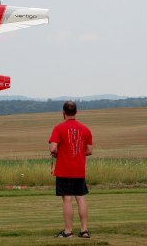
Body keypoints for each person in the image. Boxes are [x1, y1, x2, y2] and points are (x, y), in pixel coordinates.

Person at [48, 101, 93, 238]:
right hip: (79, 169)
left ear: (63, 113)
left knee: (67, 199)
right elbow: (89, 150)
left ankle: (68, 231)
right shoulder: (85, 129)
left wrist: (58, 153)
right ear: (76, 112)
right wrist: (78, 153)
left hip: (64, 169)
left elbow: (53, 148)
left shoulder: (58, 128)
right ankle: (84, 231)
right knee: (80, 198)